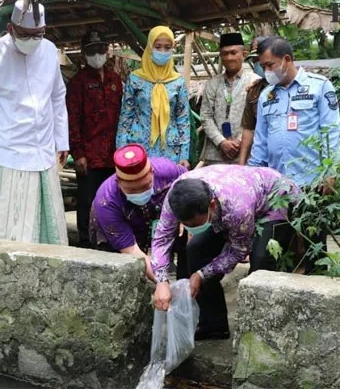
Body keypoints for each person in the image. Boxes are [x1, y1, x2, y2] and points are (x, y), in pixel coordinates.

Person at [150, 165, 299, 340]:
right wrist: (161, 281)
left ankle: (260, 334)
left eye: (196, 224)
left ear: (211, 206)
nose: (192, 229)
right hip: (234, 198)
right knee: (196, 249)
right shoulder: (175, 197)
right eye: (187, 225)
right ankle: (213, 325)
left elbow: (238, 250)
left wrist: (202, 274)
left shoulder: (238, 209)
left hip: (274, 199)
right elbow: (162, 238)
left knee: (261, 263)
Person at [0, 0, 69, 245]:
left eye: (38, 35)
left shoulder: (48, 50)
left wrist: (62, 140)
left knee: (50, 226)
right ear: (11, 29)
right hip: (9, 153)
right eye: (26, 35)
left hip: (44, 151)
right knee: (11, 229)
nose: (33, 40)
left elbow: (57, 97)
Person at [247, 36, 340, 187]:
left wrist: (331, 172)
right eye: (263, 67)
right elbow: (260, 141)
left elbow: (331, 132)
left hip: (313, 182)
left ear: (287, 59)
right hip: (276, 185)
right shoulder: (266, 96)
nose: (266, 71)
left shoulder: (320, 86)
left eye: (270, 65)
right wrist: (253, 176)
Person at [89, 144, 188, 280]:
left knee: (188, 232)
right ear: (118, 182)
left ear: (152, 172)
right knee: (120, 272)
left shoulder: (167, 170)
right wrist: (163, 283)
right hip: (114, 226)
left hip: (155, 213)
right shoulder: (106, 201)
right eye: (132, 190)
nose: (140, 193)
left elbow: (188, 181)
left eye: (145, 186)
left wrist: (183, 211)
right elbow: (131, 250)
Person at [66, 30, 123, 248]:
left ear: (107, 51)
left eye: (100, 49)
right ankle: (85, 241)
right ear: (84, 53)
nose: (97, 54)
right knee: (87, 200)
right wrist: (78, 153)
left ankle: (109, 239)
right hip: (88, 156)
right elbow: (73, 120)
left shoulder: (115, 80)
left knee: (111, 199)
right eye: (92, 50)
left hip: (112, 155)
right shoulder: (78, 83)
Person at [116, 26, 191, 168]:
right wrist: (121, 151)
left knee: (168, 188)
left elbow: (183, 119)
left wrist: (184, 155)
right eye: (158, 47)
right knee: (140, 186)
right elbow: (126, 116)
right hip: (139, 148)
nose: (163, 51)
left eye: (167, 47)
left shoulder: (178, 82)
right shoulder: (135, 79)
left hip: (171, 150)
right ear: (150, 47)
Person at [199, 33, 259, 166]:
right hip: (215, 154)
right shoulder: (212, 84)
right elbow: (205, 116)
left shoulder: (255, 81)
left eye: (233, 52)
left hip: (245, 154)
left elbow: (258, 118)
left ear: (244, 54)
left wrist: (238, 142)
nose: (229, 58)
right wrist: (221, 142)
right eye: (225, 54)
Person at [238, 36, 269, 165]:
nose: (259, 65)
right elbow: (248, 129)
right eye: (256, 61)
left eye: (260, 60)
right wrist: (241, 164)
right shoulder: (254, 90)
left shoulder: (288, 87)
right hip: (260, 159)